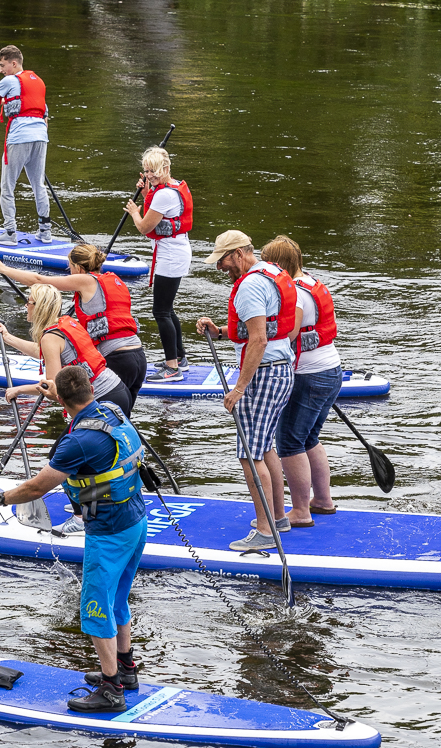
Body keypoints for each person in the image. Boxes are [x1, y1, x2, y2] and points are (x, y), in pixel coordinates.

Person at [0, 366, 149, 713]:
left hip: (109, 531)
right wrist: (54, 388)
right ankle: (126, 669)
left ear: (63, 402)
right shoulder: (111, 410)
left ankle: (112, 690)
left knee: (95, 608)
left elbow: (37, 487)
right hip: (135, 519)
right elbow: (68, 391)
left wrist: (0, 499)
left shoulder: (77, 442)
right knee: (118, 599)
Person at [195, 230, 298, 552]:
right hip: (282, 369)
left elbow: (258, 340)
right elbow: (269, 328)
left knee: (249, 456)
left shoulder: (250, 286)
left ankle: (266, 532)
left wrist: (240, 387)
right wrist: (221, 331)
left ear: (239, 253)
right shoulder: (271, 273)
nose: (220, 268)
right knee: (265, 448)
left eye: (223, 261)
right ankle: (278, 517)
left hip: (264, 375)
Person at [0, 244, 148, 409]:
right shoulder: (113, 280)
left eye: (69, 267)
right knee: (121, 425)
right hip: (138, 356)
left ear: (78, 268)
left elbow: (38, 280)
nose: (68, 272)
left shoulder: (86, 280)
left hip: (117, 360)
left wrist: (3, 269)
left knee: (102, 423)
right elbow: (45, 351)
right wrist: (7, 338)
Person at [264, 235, 344, 527]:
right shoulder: (311, 281)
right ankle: (322, 500)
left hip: (309, 376)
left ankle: (300, 511)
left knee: (289, 442)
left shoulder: (295, 293)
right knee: (309, 438)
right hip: (330, 369)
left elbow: (291, 331)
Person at [0, 284, 132, 417]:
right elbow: (42, 351)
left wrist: (18, 389)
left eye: (29, 302)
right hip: (118, 389)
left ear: (40, 307)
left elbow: (53, 387)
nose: (26, 306)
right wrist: (7, 337)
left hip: (104, 398)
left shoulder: (50, 337)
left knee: (67, 443)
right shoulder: (65, 322)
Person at [122, 147, 193, 383]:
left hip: (171, 255)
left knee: (160, 311)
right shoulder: (169, 188)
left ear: (165, 169)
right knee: (168, 308)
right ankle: (180, 357)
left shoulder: (164, 194)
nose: (149, 176)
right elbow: (158, 213)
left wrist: (134, 211)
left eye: (153, 171)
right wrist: (145, 194)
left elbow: (144, 227)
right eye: (146, 171)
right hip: (175, 250)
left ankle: (172, 368)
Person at [0, 45, 51, 245]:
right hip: (40, 137)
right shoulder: (38, 81)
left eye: (3, 65)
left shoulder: (9, 81)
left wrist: (2, 100)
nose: (0, 70)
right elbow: (43, 113)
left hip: (19, 137)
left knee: (7, 186)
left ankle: (10, 233)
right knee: (38, 184)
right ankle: (45, 232)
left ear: (14, 63)